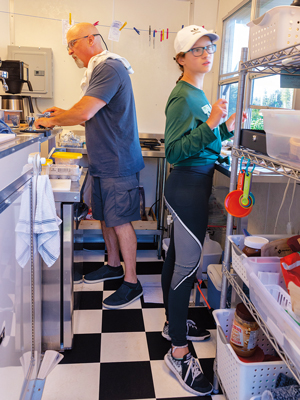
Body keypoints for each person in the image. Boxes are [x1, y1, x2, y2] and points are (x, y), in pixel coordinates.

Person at [161, 25, 247, 396]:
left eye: (209, 47)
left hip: (195, 182)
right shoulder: (183, 96)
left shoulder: (198, 93)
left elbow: (204, 142)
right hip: (187, 186)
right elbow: (175, 152)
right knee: (186, 266)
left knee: (177, 258)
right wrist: (213, 122)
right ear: (180, 58)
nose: (206, 54)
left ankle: (171, 324)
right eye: (196, 50)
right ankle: (178, 351)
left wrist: (223, 128)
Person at [35, 22, 145, 309]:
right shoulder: (98, 70)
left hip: (118, 162)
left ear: (91, 39)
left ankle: (132, 283)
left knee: (120, 221)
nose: (69, 51)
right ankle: (113, 265)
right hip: (103, 161)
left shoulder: (109, 67)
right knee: (107, 217)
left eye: (72, 44)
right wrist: (64, 113)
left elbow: (84, 111)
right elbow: (88, 112)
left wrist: (52, 120)